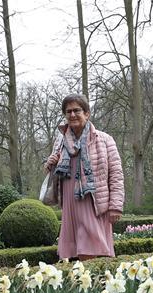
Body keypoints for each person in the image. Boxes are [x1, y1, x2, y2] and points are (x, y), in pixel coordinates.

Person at [44, 93, 123, 260]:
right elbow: (55, 172)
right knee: (76, 251)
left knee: (92, 247)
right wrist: (51, 164)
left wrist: (115, 206)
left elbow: (116, 174)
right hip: (70, 202)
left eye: (76, 110)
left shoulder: (104, 139)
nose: (72, 115)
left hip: (93, 200)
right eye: (68, 111)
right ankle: (87, 283)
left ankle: (96, 283)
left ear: (87, 113)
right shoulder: (60, 141)